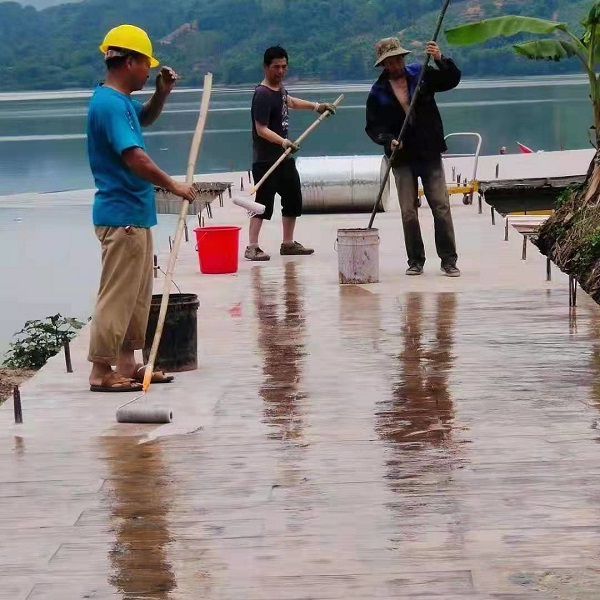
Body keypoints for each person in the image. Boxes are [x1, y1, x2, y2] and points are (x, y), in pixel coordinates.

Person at [87, 24, 197, 392]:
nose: (149, 71)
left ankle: (127, 363)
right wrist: (174, 185)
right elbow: (135, 156)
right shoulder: (107, 104)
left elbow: (144, 118)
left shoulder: (119, 103)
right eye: (145, 64)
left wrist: (161, 94)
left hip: (135, 213)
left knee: (137, 297)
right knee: (117, 296)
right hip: (121, 217)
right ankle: (101, 372)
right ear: (128, 61)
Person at [365, 37, 461, 277]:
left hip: (428, 151)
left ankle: (448, 260)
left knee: (440, 206)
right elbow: (373, 126)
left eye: (397, 59)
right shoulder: (378, 91)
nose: (394, 65)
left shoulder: (421, 73)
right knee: (408, 211)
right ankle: (415, 260)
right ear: (383, 64)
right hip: (402, 157)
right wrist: (388, 140)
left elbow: (451, 79)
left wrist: (440, 58)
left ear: (403, 58)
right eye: (389, 62)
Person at [245, 45, 337, 261]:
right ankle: (252, 246)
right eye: (276, 67)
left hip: (284, 158)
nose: (280, 71)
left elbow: (290, 102)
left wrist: (317, 106)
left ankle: (287, 243)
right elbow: (261, 129)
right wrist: (284, 141)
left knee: (293, 197)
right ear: (266, 67)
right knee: (262, 204)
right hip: (266, 159)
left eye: (284, 67)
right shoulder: (262, 94)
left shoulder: (280, 90)